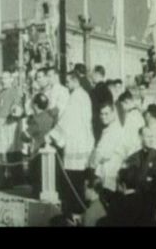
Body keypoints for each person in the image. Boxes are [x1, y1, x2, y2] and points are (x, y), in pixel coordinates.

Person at [48, 71, 94, 217]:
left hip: (76, 141)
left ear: (75, 81)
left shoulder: (76, 97)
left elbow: (67, 119)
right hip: (83, 138)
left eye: (68, 82)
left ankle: (75, 210)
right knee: (80, 177)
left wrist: (53, 134)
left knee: (74, 178)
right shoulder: (84, 95)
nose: (66, 85)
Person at [124, 127, 156, 225]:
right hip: (136, 203)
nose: (151, 139)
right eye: (148, 137)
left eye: (152, 136)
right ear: (140, 137)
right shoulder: (133, 158)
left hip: (152, 203)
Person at [0, 72, 25, 189]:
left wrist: (15, 111)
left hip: (9, 124)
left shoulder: (15, 92)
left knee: (10, 150)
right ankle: (1, 180)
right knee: (0, 151)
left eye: (5, 78)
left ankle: (13, 180)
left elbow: (17, 107)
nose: (3, 80)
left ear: (11, 79)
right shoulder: (0, 93)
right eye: (1, 78)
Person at [89, 99, 127, 198]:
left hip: (111, 172)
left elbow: (103, 154)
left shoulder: (115, 131)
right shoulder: (108, 129)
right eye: (101, 114)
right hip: (106, 172)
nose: (103, 117)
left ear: (113, 113)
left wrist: (92, 163)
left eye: (106, 114)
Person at [25, 92, 59, 198]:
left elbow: (25, 136)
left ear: (35, 105)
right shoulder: (50, 117)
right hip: (50, 150)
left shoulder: (36, 120)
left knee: (36, 174)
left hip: (37, 150)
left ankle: (36, 192)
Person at [117, 90, 145, 157]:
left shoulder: (132, 115)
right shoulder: (137, 114)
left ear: (126, 101)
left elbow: (129, 136)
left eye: (122, 105)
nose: (122, 108)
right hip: (134, 148)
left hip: (132, 149)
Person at [90, 65, 111, 142]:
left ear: (96, 74)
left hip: (97, 124)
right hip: (107, 123)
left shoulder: (95, 91)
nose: (91, 76)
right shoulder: (107, 90)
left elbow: (93, 110)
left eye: (92, 73)